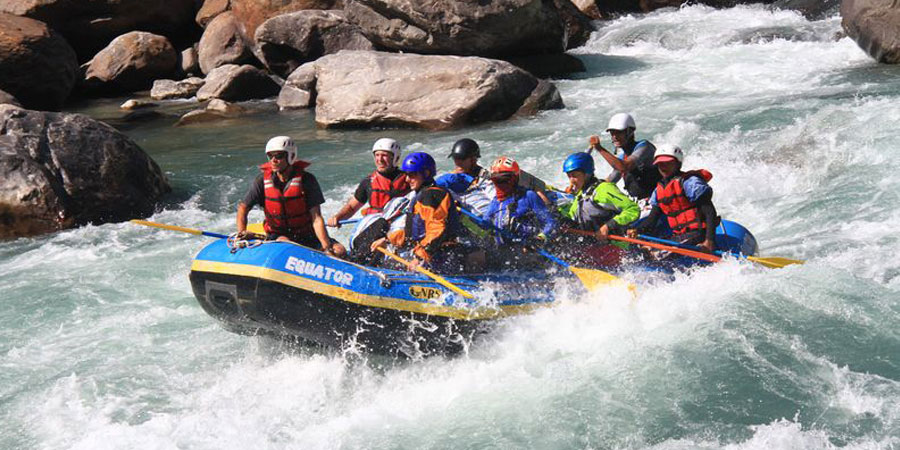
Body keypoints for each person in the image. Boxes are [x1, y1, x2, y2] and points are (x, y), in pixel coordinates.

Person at [371, 152, 485, 274]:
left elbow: (437, 230)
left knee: (386, 266)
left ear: (426, 174)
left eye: (412, 175)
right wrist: (387, 240)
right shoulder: (423, 195)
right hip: (431, 253)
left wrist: (420, 257)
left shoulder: (432, 196)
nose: (407, 179)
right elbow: (412, 233)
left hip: (443, 257)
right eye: (406, 175)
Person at [236, 136, 346, 257]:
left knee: (340, 251)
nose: (273, 160)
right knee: (290, 248)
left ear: (291, 156)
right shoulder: (261, 181)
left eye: (278, 156)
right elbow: (243, 208)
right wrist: (242, 233)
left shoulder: (307, 180)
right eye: (270, 156)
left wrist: (326, 247)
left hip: (307, 234)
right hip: (279, 235)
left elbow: (316, 218)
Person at [628, 144, 718, 252]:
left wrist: (709, 241)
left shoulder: (690, 183)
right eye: (660, 164)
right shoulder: (658, 190)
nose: (663, 167)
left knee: (656, 253)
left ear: (678, 163)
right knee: (642, 250)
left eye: (668, 163)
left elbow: (709, 212)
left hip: (698, 234)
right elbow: (652, 220)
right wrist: (636, 230)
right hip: (679, 236)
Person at [556, 152, 640, 267]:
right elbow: (572, 219)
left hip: (615, 246)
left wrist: (608, 226)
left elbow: (633, 209)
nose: (571, 181)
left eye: (574, 175)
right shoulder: (580, 196)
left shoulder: (604, 189)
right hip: (594, 248)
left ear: (586, 174)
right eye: (569, 176)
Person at [437, 138, 550, 215]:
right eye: (455, 159)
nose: (457, 162)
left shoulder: (489, 174)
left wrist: (543, 199)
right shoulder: (448, 180)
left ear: (473, 159)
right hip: (482, 216)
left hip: (506, 211)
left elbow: (530, 182)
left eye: (461, 159)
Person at [481, 156, 556, 269]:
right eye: (496, 180)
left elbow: (550, 223)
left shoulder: (529, 196)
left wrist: (540, 238)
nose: (500, 184)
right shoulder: (496, 202)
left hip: (529, 253)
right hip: (504, 254)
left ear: (514, 179)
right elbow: (483, 225)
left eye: (504, 180)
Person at [327, 138, 410, 227]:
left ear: (395, 157)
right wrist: (338, 217)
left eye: (384, 155)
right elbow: (351, 207)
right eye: (377, 155)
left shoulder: (409, 179)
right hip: (375, 224)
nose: (380, 159)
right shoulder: (368, 182)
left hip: (399, 224)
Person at [588, 113, 661, 203]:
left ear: (630, 131)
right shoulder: (622, 157)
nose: (615, 136)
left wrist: (600, 148)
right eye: (612, 133)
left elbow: (624, 167)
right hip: (639, 202)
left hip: (656, 201)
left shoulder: (644, 147)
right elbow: (610, 181)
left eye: (619, 132)